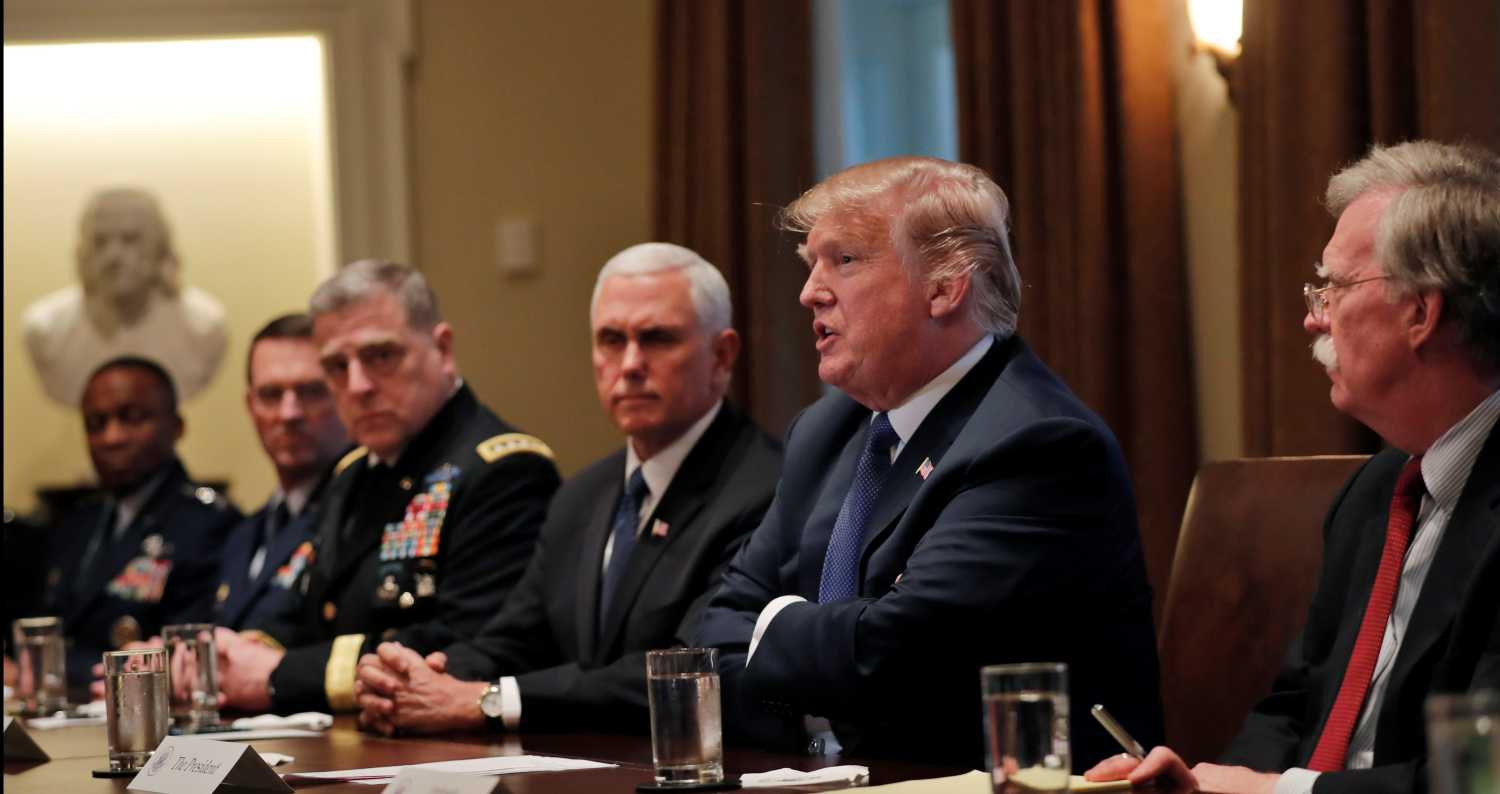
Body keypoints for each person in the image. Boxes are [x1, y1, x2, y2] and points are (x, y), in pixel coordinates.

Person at [695, 157, 1163, 766]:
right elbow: (716, 623)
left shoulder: (1038, 443)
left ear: (945, 286)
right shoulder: (827, 430)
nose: (810, 292)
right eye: (811, 265)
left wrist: (774, 626)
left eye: (845, 260)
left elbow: (893, 654)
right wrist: (795, 650)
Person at [1086, 140, 1500, 793]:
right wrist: (1203, 784)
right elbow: (1295, 704)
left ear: (1422, 312)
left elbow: (1482, 779)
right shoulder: (1375, 491)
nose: (1313, 317)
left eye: (1333, 287)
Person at [352, 243, 784, 736]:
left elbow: (691, 670)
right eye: (611, 340)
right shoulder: (583, 495)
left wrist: (493, 701)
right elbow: (516, 641)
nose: (631, 363)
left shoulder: (764, 488)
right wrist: (416, 679)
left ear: (722, 355)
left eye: (658, 338)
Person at [213, 260, 561, 714]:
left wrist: (280, 675)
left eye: (381, 357)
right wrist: (234, 657)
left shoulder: (505, 469)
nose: (358, 386)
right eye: (337, 365)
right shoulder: (354, 473)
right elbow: (318, 617)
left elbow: (468, 643)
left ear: (443, 349)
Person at [41, 357, 239, 686]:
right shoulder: (78, 523)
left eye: (131, 419)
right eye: (96, 423)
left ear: (177, 427)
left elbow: (183, 652)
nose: (112, 437)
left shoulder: (207, 524)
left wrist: (46, 670)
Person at [22, 188, 228, 405]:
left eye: (130, 239)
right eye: (100, 241)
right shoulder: (45, 330)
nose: (114, 256)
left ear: (159, 247)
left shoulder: (203, 328)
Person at [215, 313, 351, 632]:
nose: (289, 413)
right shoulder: (245, 533)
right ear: (250, 406)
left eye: (311, 391)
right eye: (271, 395)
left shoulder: (362, 516)